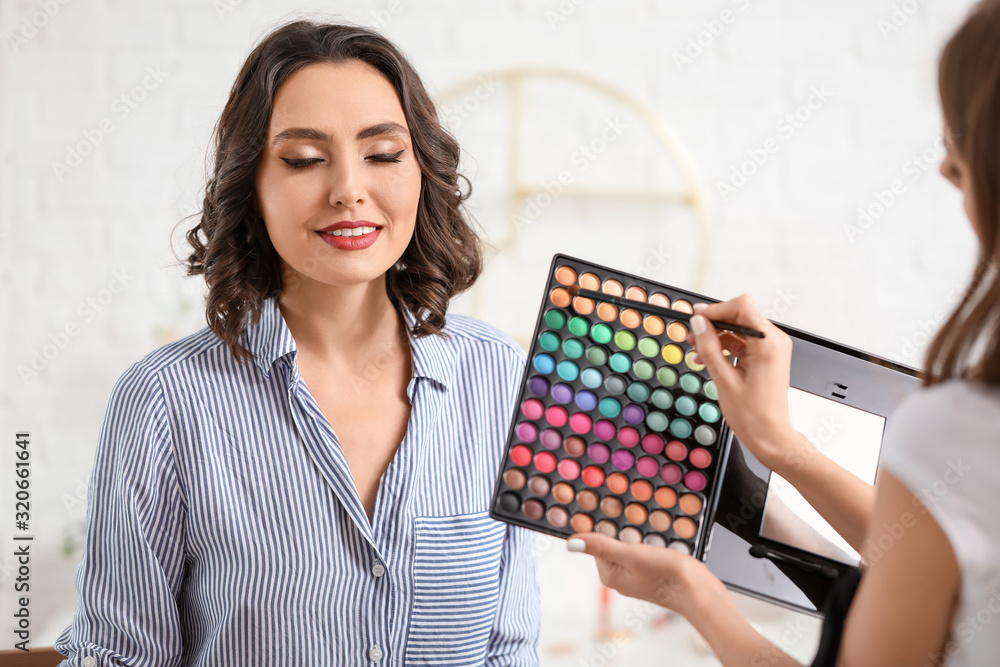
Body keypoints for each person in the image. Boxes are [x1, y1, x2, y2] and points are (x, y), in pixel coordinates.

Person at [54, 20, 539, 666]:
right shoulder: (165, 402)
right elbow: (116, 655)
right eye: (305, 159)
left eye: (384, 153)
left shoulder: (498, 375)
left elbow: (509, 648)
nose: (347, 189)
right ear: (250, 185)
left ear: (421, 172)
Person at [567, 1, 1000, 665]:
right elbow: (945, 547)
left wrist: (695, 595)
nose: (945, 166)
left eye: (962, 134)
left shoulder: (958, 427)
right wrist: (782, 448)